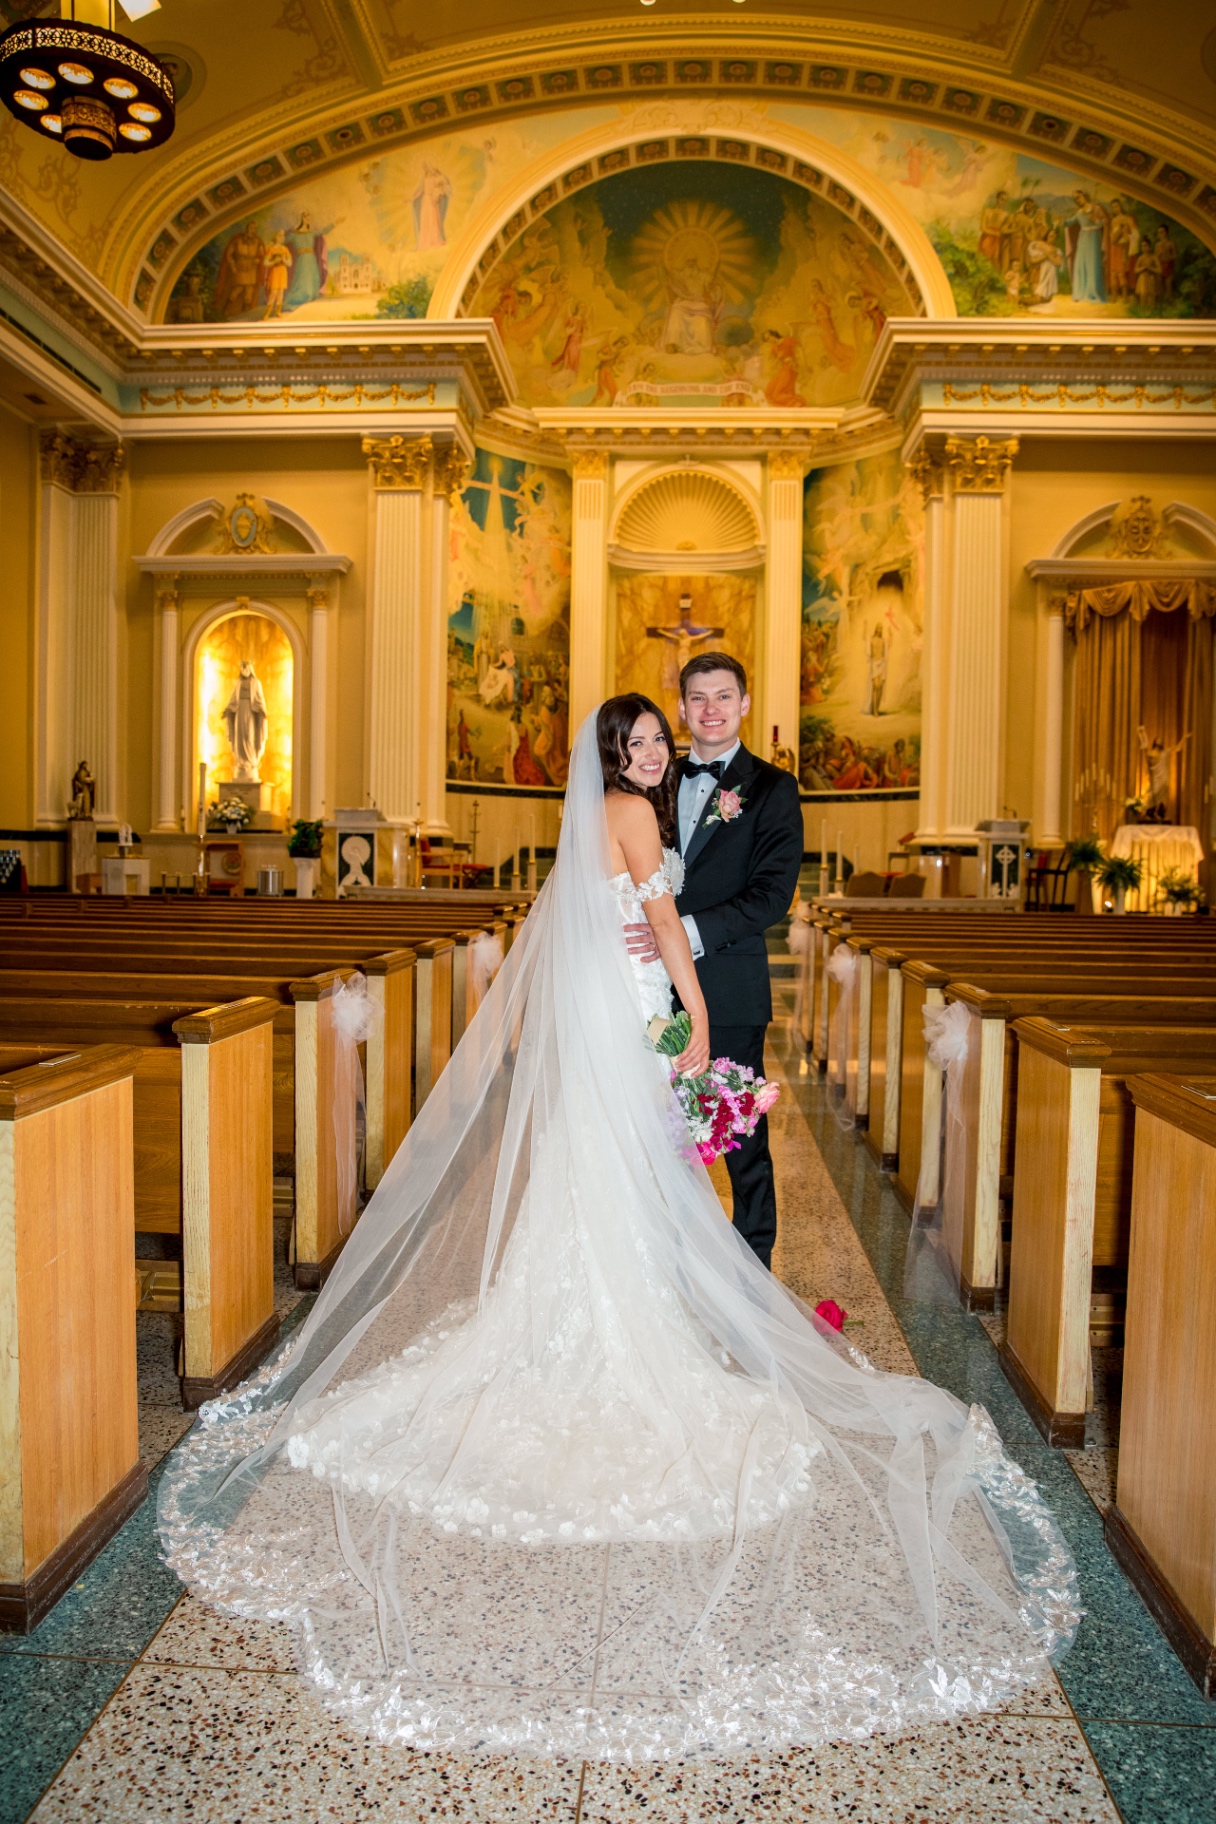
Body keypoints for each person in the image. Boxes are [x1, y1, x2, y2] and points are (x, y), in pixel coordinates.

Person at [159, 699, 1079, 1761]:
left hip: (604, 1016)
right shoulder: (635, 819)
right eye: (638, 743)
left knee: (604, 1183)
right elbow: (670, 946)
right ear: (615, 756)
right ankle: (624, 1331)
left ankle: (584, 1319)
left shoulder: (593, 818)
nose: (652, 753)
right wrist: (690, 1037)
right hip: (643, 1012)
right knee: (645, 1185)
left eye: (658, 742)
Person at [625, 655, 803, 1272]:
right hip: (647, 989)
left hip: (726, 986)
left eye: (723, 697)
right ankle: (665, 1263)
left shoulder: (774, 788)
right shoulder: (652, 778)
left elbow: (772, 896)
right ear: (681, 708)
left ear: (745, 704)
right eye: (697, 698)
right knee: (657, 1133)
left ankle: (753, 1272)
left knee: (739, 1137)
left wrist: (684, 933)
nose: (710, 709)